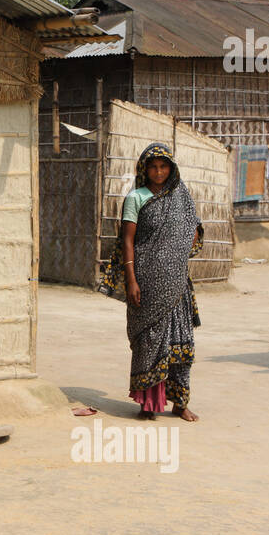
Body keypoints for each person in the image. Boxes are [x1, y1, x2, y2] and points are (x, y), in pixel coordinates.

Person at [98, 142, 204, 421]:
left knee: (181, 342)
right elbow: (128, 241)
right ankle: (148, 403)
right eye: (153, 167)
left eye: (163, 166)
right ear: (145, 170)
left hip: (177, 283)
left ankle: (180, 403)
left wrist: (179, 249)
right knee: (149, 341)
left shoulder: (181, 196)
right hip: (146, 279)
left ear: (171, 168)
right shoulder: (136, 197)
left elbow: (195, 228)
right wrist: (131, 280)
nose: (159, 172)